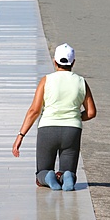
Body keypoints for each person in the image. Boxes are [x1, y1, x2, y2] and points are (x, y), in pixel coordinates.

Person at [12, 43, 96, 191]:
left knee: (42, 172)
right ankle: (66, 176)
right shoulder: (81, 81)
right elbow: (91, 112)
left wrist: (21, 135)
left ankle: (48, 177)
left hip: (48, 129)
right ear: (73, 62)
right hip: (72, 130)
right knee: (68, 171)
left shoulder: (46, 80)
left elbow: (34, 111)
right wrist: (75, 116)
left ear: (55, 61)